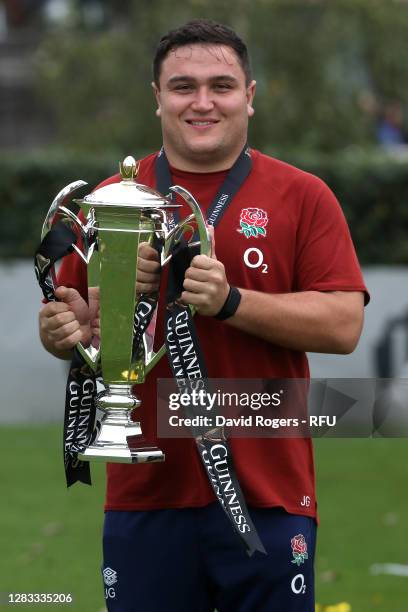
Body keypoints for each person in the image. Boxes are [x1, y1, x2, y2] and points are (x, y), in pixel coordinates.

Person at [39, 19, 368, 612]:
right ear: (157, 97)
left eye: (221, 85)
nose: (202, 102)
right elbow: (81, 326)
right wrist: (60, 334)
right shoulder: (111, 200)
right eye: (183, 86)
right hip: (146, 491)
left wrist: (230, 302)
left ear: (250, 95)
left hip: (268, 494)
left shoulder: (303, 195)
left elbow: (343, 324)